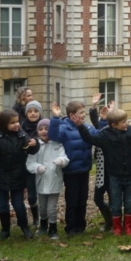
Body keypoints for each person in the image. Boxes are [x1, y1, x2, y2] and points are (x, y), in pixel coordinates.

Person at [74, 103, 131, 236]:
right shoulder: (105, 136)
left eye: (126, 120)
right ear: (114, 125)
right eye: (123, 122)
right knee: (116, 203)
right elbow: (89, 138)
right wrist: (80, 126)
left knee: (130, 203)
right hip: (115, 176)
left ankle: (129, 226)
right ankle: (117, 228)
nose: (127, 123)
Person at [0, 110, 39, 240]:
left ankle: (24, 227)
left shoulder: (22, 135)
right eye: (12, 123)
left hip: (18, 175)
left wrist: (34, 143)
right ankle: (5, 229)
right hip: (1, 175)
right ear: (3, 124)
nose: (16, 125)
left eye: (17, 122)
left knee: (18, 204)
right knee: (2, 205)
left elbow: (32, 148)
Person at [47, 100, 97, 236]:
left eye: (84, 112)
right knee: (72, 200)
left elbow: (99, 135)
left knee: (83, 199)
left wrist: (101, 117)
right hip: (71, 170)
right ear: (71, 115)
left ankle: (81, 226)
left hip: (84, 168)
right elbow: (53, 136)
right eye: (81, 113)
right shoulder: (64, 128)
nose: (83, 115)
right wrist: (56, 118)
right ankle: (71, 227)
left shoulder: (86, 128)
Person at [26, 119, 69, 239]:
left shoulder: (57, 144)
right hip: (41, 180)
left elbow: (64, 157)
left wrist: (61, 161)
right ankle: (43, 225)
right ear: (37, 131)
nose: (44, 131)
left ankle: (53, 228)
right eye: (40, 129)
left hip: (54, 179)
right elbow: (30, 162)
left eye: (46, 129)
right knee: (43, 207)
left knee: (52, 207)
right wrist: (37, 167)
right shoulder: (36, 146)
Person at [88, 93, 112, 232]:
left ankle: (114, 222)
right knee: (98, 199)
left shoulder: (114, 132)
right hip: (100, 173)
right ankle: (108, 219)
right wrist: (93, 106)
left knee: (114, 200)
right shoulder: (100, 131)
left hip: (112, 172)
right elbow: (98, 125)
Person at [22, 100, 43, 227]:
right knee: (31, 194)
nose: (33, 114)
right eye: (30, 111)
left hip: (42, 163)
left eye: (36, 111)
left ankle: (44, 216)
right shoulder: (22, 127)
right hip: (27, 165)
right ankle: (35, 217)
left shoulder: (45, 126)